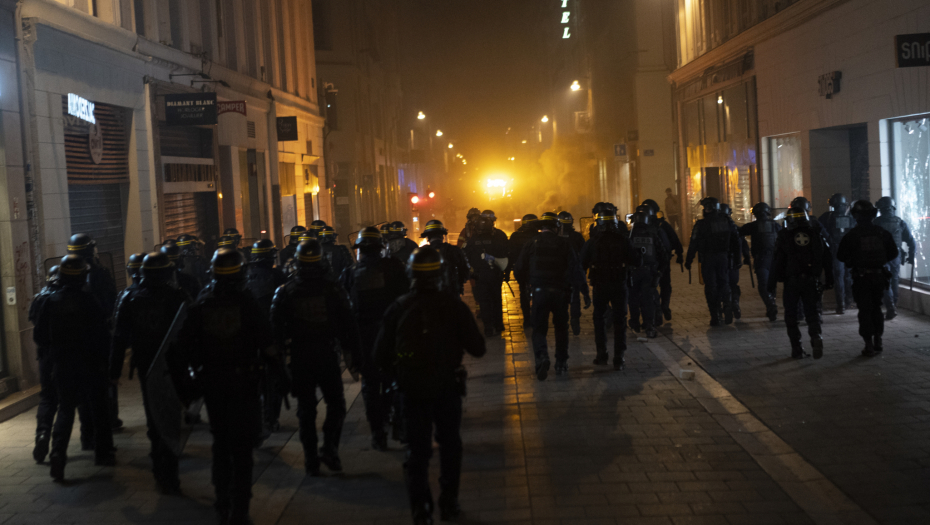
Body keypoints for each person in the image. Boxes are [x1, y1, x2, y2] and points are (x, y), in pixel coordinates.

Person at [374, 246, 486, 525]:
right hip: (447, 387)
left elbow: (379, 356)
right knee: (450, 446)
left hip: (411, 389)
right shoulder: (454, 306)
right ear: (440, 274)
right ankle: (449, 503)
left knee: (416, 451)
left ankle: (420, 509)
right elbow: (478, 349)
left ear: (411, 274)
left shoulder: (399, 307)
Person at [174, 248, 284, 525]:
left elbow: (178, 350)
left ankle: (222, 502)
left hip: (213, 386)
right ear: (241, 274)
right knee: (242, 449)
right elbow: (267, 344)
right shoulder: (248, 304)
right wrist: (280, 374)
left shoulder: (201, 305)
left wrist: (185, 388)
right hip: (244, 385)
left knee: (221, 445)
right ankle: (240, 508)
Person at [271, 240, 361, 475]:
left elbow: (275, 333)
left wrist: (279, 366)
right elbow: (349, 325)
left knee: (306, 410)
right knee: (336, 404)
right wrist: (354, 354)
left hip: (300, 356)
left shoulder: (285, 292)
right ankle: (329, 448)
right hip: (327, 355)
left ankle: (311, 460)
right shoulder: (334, 290)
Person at [110, 251, 189, 494]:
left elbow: (119, 337)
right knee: (171, 416)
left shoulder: (130, 298)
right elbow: (191, 333)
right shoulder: (177, 297)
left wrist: (114, 371)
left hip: (146, 366)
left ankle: (159, 467)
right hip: (174, 365)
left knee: (153, 416)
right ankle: (170, 474)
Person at [33, 255, 115, 481]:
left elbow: (39, 337)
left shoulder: (50, 302)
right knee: (98, 407)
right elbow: (103, 336)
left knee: (66, 408)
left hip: (63, 364)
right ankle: (103, 453)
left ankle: (58, 453)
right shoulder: (90, 301)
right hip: (90, 363)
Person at [341, 227, 410, 451]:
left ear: (360, 249)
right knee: (394, 379)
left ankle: (377, 434)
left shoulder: (350, 273)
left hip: (364, 338)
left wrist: (346, 343)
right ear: (380, 247)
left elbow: (344, 310)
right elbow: (406, 298)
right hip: (391, 334)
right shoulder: (394, 267)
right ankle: (395, 420)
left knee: (370, 385)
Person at [515, 212, 590, 379]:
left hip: (539, 292)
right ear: (557, 227)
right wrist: (584, 291)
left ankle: (542, 357)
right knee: (561, 329)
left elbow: (519, 269)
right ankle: (561, 363)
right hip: (560, 293)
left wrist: (526, 284)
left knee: (539, 329)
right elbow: (576, 269)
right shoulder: (564, 244)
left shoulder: (531, 243)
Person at [768, 207, 834, 359]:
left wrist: (771, 284)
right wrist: (829, 279)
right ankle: (816, 336)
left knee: (791, 316)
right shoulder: (815, 234)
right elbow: (827, 258)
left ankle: (796, 348)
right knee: (812, 312)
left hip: (791, 282)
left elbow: (777, 261)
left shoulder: (785, 235)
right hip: (811, 281)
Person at [837, 201, 900, 356]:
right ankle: (878, 339)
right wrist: (879, 261)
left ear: (855, 216)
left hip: (861, 278)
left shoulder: (852, 235)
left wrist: (855, 261)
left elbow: (841, 256)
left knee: (865, 310)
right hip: (879, 277)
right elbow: (893, 253)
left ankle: (869, 344)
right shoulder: (882, 233)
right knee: (876, 308)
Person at [581, 211, 641, 370]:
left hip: (599, 286)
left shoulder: (592, 242)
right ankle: (619, 358)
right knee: (620, 321)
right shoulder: (624, 240)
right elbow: (636, 261)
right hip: (619, 285)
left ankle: (601, 355)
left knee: (599, 320)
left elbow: (582, 264)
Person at [245, 239, 288, 435]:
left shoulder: (244, 276)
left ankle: (255, 419)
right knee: (274, 379)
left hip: (249, 338)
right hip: (273, 336)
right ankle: (271, 419)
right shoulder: (278, 276)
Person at [684, 198, 741, 326]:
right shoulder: (727, 221)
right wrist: (738, 259)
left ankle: (715, 315)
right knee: (724, 282)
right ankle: (727, 304)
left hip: (708, 259)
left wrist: (688, 260)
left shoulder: (701, 224)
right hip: (723, 257)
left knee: (710, 287)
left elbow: (693, 243)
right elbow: (736, 241)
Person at [31, 266, 64, 463]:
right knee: (66, 402)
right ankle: (58, 446)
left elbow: (35, 325)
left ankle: (42, 433)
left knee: (47, 398)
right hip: (65, 356)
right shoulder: (68, 297)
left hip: (45, 357)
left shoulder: (39, 298)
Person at [463, 210, 510, 336]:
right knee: (496, 300)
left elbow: (465, 256)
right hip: (495, 275)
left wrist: (470, 273)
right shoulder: (499, 237)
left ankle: (488, 328)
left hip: (480, 276)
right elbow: (506, 255)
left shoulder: (473, 240)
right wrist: (506, 273)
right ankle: (498, 325)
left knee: (484, 302)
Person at [627, 206, 669, 339]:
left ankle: (635, 323)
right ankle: (649, 325)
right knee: (648, 300)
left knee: (633, 299)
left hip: (633, 273)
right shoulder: (652, 235)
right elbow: (663, 255)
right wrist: (659, 272)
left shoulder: (629, 235)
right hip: (649, 272)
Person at [738, 203, 782, 321]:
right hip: (774, 259)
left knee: (763, 285)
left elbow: (738, 232)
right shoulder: (775, 225)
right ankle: (771, 305)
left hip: (761, 259)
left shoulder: (753, 226)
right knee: (771, 285)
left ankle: (770, 304)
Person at [874, 197, 916, 320]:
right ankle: (894, 306)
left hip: (881, 256)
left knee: (885, 282)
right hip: (896, 255)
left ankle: (891, 308)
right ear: (893, 207)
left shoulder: (875, 222)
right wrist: (911, 256)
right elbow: (911, 241)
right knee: (894, 280)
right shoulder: (900, 222)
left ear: (881, 208)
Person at [642, 199, 683, 322]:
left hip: (647, 263)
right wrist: (679, 255)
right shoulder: (663, 225)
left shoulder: (640, 226)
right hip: (664, 260)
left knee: (650, 286)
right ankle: (664, 306)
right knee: (665, 285)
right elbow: (675, 240)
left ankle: (657, 310)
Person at [818, 194, 856, 314]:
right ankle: (848, 300)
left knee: (839, 277)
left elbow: (818, 227)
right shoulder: (851, 217)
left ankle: (841, 305)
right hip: (849, 251)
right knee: (848, 276)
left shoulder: (828, 217)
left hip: (836, 250)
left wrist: (829, 240)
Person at [421, 220, 470, 296]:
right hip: (451, 294)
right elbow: (465, 271)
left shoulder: (421, 253)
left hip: (428, 296)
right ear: (442, 235)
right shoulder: (454, 250)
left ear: (428, 237)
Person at [507, 214, 539, 326]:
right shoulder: (538, 236)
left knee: (523, 293)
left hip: (521, 270)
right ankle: (536, 317)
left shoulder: (515, 236)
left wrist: (507, 271)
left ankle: (526, 319)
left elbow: (510, 254)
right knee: (537, 294)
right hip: (536, 270)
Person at [558, 211, 587, 335]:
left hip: (559, 274)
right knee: (575, 297)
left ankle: (563, 322)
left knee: (561, 299)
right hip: (574, 272)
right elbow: (584, 254)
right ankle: (575, 320)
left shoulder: (556, 238)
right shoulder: (577, 236)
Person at [720, 204, 750, 320]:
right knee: (733, 285)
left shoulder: (715, 227)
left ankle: (726, 305)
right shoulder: (735, 228)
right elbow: (743, 245)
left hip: (721, 263)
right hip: (734, 263)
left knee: (722, 285)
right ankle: (735, 303)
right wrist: (746, 257)